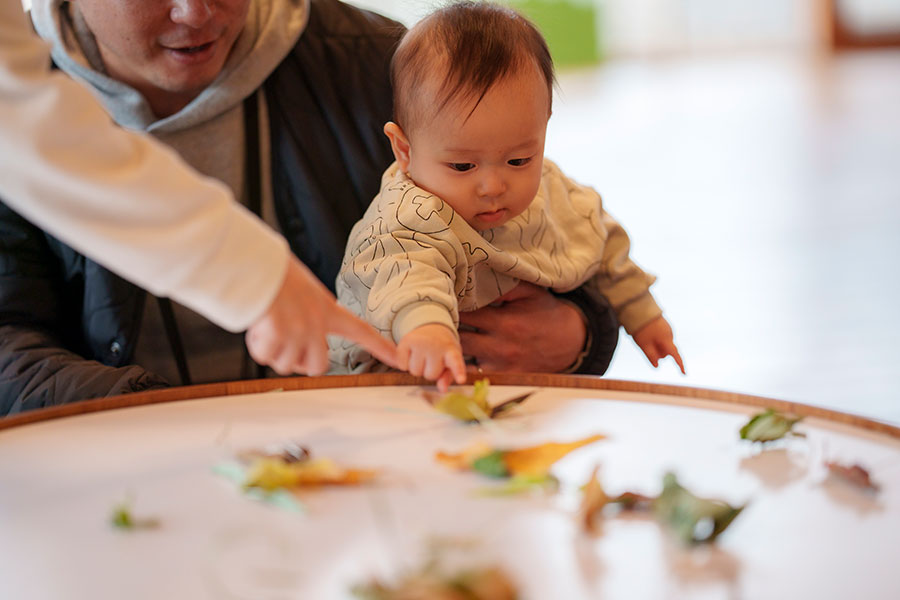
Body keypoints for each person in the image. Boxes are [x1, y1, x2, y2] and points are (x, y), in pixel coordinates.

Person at [0, 0, 614, 415]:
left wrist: (579, 332)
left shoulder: (380, 64)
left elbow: (544, 231)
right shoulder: (21, 106)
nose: (196, 12)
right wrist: (167, 417)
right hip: (123, 479)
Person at [0, 0, 397, 381]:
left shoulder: (383, 64)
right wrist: (156, 414)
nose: (194, 13)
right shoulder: (22, 97)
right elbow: (11, 346)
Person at [329, 1, 684, 390]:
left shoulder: (551, 191)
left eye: (518, 159)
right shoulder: (408, 216)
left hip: (490, 390)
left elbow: (603, 243)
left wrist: (643, 315)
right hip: (381, 388)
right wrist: (425, 327)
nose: (494, 186)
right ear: (405, 151)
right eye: (463, 167)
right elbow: (404, 273)